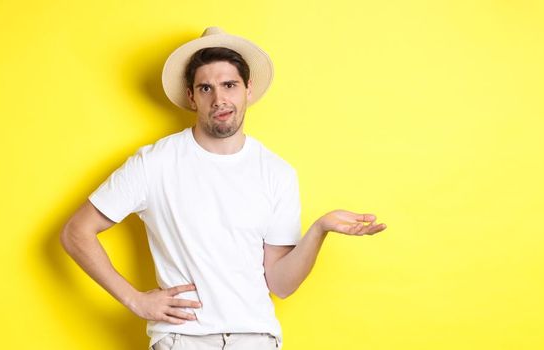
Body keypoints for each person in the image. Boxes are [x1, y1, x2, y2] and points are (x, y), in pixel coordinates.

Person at [60, 27, 386, 350]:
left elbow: (281, 284)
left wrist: (319, 229)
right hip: (183, 340)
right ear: (191, 97)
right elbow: (77, 231)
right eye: (206, 88)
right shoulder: (154, 163)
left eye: (229, 85)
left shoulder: (277, 172)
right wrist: (135, 300)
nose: (219, 99)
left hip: (256, 339)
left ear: (248, 89)